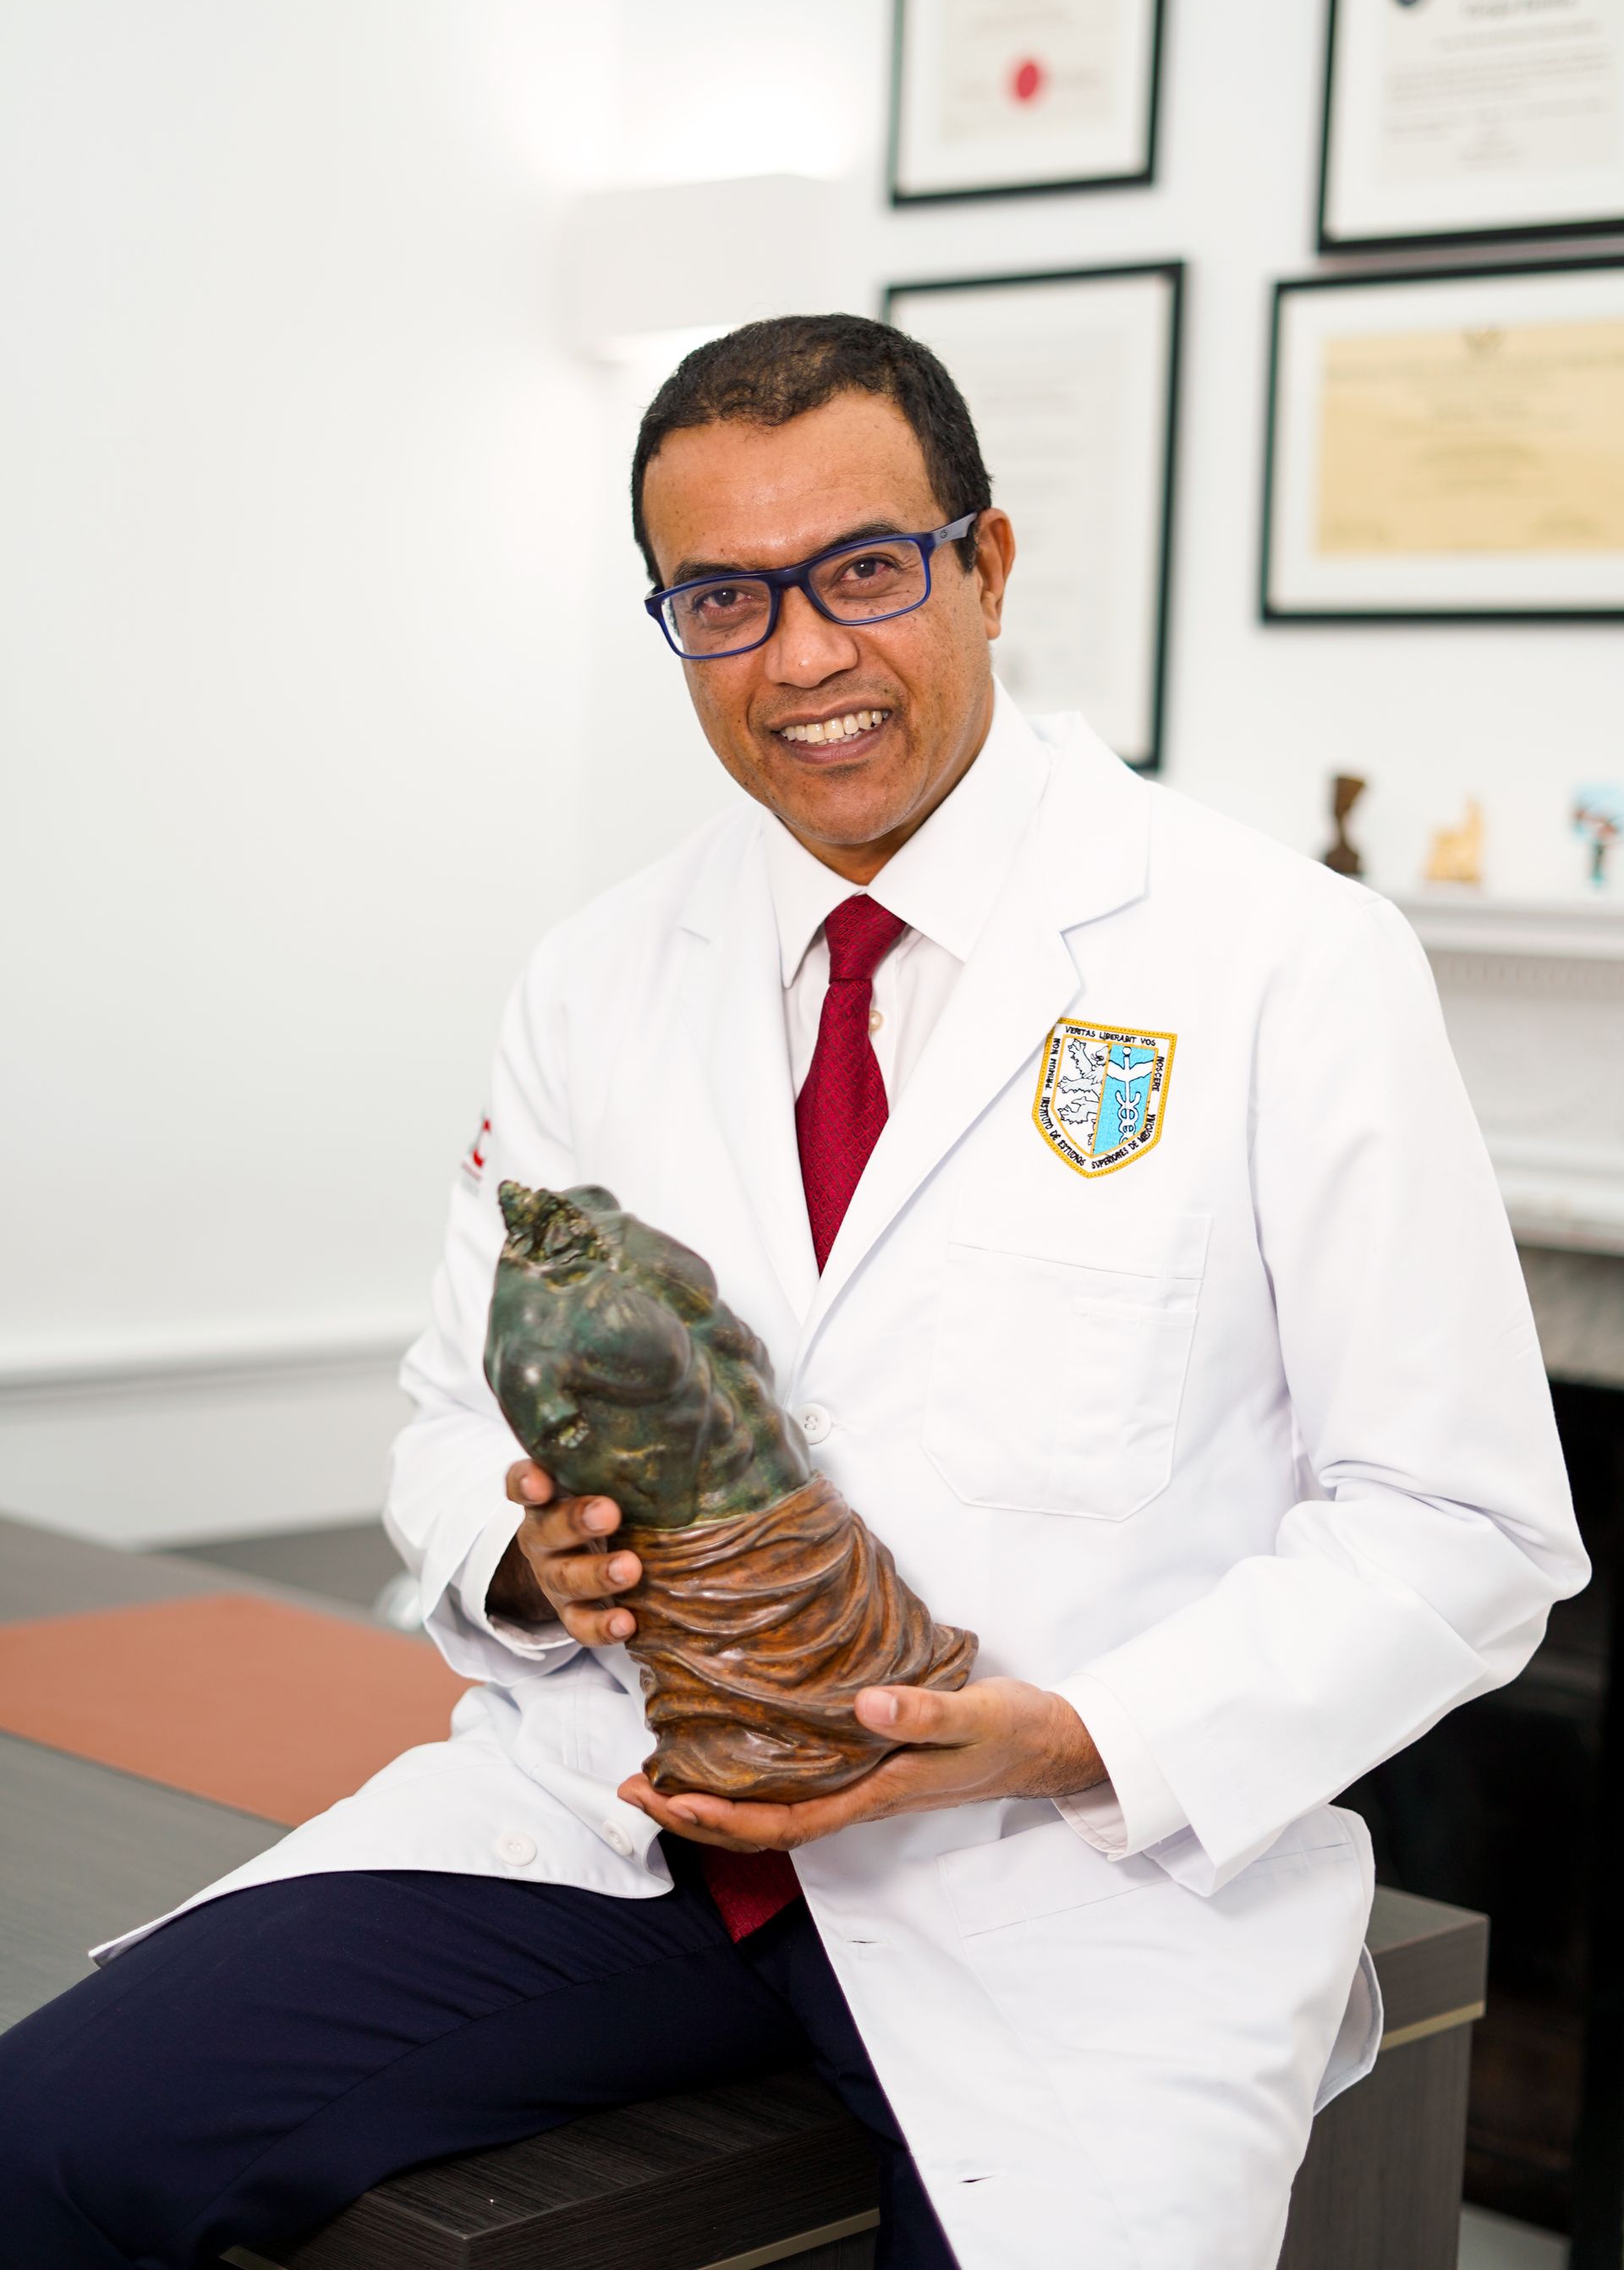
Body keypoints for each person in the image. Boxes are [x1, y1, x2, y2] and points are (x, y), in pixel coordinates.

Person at [0, 315, 1587, 2269]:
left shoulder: (1283, 961)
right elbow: (448, 1418)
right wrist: (530, 1564)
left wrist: (1065, 1736)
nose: (803, 657)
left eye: (863, 571)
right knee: (43, 2141)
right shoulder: (597, 977)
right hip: (622, 1826)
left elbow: (1464, 1522)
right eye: (724, 600)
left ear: (985, 568)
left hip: (1061, 1879)